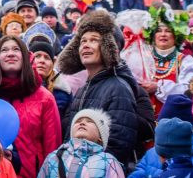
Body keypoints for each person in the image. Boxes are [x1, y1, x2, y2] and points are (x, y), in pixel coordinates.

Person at [57, 10, 147, 168]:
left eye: (94, 40)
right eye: (83, 40)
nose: (85, 44)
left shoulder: (118, 88)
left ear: (108, 47)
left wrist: (90, 171)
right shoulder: (82, 89)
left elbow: (119, 144)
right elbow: (69, 138)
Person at [0, 35, 62, 178]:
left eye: (16, 49)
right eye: (4, 50)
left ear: (25, 57)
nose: (10, 53)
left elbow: (53, 146)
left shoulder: (44, 98)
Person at [38, 109, 125, 178]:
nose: (82, 123)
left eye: (89, 121)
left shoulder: (109, 161)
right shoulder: (54, 157)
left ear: (100, 137)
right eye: (78, 121)